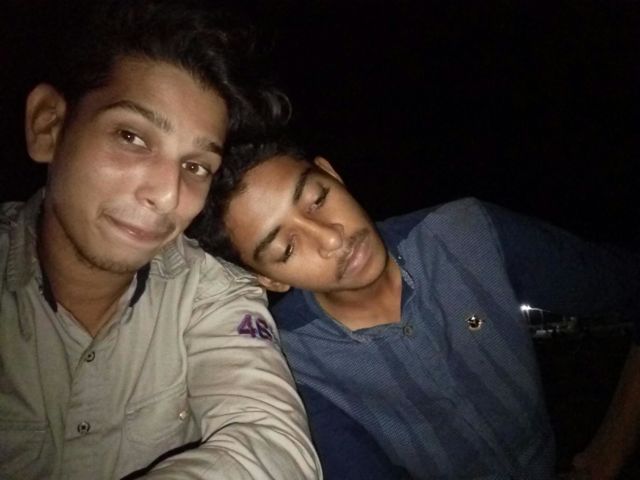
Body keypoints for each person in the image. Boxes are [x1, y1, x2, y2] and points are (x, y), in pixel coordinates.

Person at [0, 2, 321, 479]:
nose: (168, 194)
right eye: (132, 137)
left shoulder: (211, 293)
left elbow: (274, 445)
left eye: (195, 166)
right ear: (48, 126)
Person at [196, 139, 640, 479]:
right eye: (288, 248)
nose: (331, 238)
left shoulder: (471, 233)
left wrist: (609, 451)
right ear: (270, 280)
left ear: (331, 173)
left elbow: (625, 283)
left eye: (317, 198)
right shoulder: (293, 368)